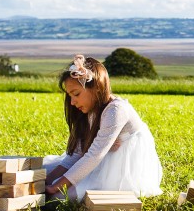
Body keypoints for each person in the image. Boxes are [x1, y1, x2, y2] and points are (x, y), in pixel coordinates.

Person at [44, 55, 163, 201]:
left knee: (58, 197)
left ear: (96, 88)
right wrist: (48, 181)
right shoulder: (89, 111)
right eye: (70, 96)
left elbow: (94, 156)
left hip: (121, 166)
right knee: (45, 175)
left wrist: (56, 187)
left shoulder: (116, 110)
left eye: (76, 94)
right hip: (98, 157)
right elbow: (77, 154)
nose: (73, 102)